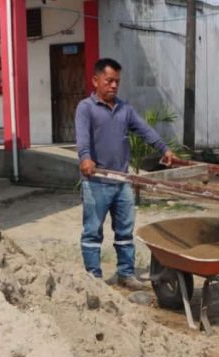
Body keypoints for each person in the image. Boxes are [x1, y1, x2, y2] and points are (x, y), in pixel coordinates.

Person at [75, 58, 176, 290]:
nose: (114, 85)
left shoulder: (124, 109)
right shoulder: (86, 108)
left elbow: (145, 130)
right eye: (109, 80)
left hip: (122, 182)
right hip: (97, 181)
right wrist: (85, 157)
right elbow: (82, 137)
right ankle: (94, 279)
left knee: (124, 232)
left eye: (117, 82)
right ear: (95, 80)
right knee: (92, 232)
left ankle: (126, 274)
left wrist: (164, 148)